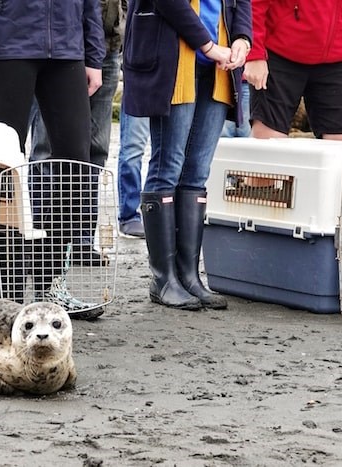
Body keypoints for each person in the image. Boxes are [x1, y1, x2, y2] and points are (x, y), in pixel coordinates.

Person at [0, 0, 106, 305]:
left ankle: (49, 284)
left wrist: (94, 55)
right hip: (9, 46)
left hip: (67, 51)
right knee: (2, 166)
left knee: (76, 166)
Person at [122, 0, 252, 310]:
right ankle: (163, 279)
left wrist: (242, 39)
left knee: (197, 172)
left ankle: (189, 276)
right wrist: (208, 45)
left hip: (220, 66)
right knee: (167, 166)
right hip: (175, 60)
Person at [28, 0, 125, 265]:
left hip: (108, 49)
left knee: (95, 150)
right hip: (61, 51)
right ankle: (40, 239)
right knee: (46, 151)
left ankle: (81, 239)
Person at [245, 1, 342, 141]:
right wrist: (254, 52)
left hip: (340, 56)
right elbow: (254, 3)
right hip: (279, 52)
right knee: (266, 143)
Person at [117, 108, 150, 238]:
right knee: (133, 151)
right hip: (143, 89)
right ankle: (129, 215)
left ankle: (161, 216)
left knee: (171, 154)